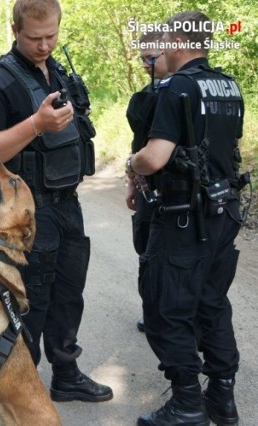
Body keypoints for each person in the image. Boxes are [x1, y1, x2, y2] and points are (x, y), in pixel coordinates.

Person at [0, 0, 113, 403]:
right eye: (35, 37)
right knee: (32, 302)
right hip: (28, 213)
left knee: (69, 294)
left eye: (52, 35)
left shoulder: (57, 72)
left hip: (68, 204)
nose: (45, 45)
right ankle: (22, 390)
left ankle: (65, 374)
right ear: (15, 30)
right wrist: (35, 125)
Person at [127, 11, 247, 426]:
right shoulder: (229, 86)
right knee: (211, 304)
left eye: (164, 37)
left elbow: (155, 156)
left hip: (182, 217)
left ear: (179, 39)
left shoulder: (177, 87)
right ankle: (222, 397)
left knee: (167, 311)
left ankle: (187, 404)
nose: (158, 45)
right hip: (223, 211)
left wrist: (132, 162)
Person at [125, 31, 170, 334]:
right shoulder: (144, 96)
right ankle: (151, 311)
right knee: (146, 252)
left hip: (178, 192)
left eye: (151, 58)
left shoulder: (184, 93)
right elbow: (137, 147)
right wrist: (131, 182)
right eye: (142, 58)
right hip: (147, 192)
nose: (145, 64)